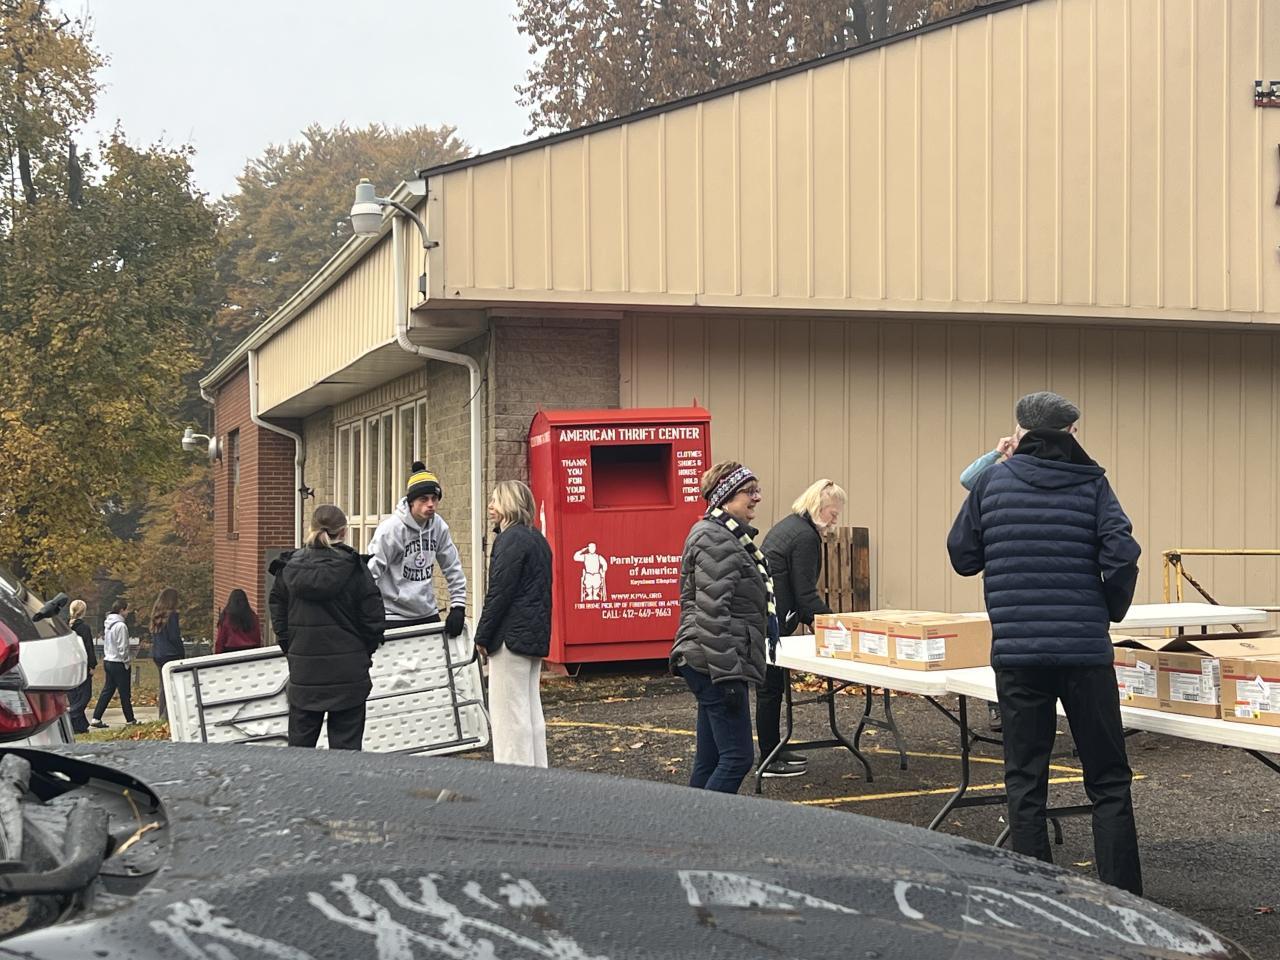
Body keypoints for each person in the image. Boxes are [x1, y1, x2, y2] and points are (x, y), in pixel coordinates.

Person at [947, 391, 1143, 896]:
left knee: (1025, 779)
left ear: (1020, 431)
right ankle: (1123, 897)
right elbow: (1122, 554)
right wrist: (1107, 609)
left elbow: (963, 556)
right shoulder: (1093, 484)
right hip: (1084, 653)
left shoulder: (992, 482)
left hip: (1019, 654)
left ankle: (1037, 896)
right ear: (1071, 432)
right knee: (1108, 779)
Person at [669, 461, 776, 794]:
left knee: (712, 758)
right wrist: (728, 677)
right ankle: (708, 824)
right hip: (714, 664)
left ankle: (688, 821)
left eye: (757, 490)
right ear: (726, 497)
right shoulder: (717, 539)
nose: (757, 497)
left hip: (709, 661)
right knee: (737, 758)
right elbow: (712, 613)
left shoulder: (726, 536)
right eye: (749, 491)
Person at [269, 504, 386, 751]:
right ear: (343, 532)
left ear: (310, 529)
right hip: (349, 674)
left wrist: (291, 648)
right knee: (346, 754)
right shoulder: (355, 569)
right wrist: (364, 653)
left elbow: (278, 614)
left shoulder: (288, 568)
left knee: (299, 755)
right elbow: (373, 619)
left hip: (304, 673)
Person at [756, 478, 847, 778]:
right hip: (771, 620)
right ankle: (769, 759)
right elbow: (806, 595)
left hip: (765, 614)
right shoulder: (806, 537)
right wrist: (837, 628)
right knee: (770, 689)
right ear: (820, 507)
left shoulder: (790, 527)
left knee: (769, 689)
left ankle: (772, 750)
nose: (835, 520)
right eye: (833, 513)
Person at [473, 481, 553, 767]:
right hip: (534, 636)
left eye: (495, 501)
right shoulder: (538, 539)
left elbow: (499, 593)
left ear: (508, 505)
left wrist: (482, 635)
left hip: (510, 638)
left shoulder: (509, 540)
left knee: (509, 717)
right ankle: (538, 773)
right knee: (530, 713)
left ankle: (514, 779)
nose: (490, 506)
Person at [367, 462, 467, 635]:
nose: (431, 504)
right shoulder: (391, 529)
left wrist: (458, 606)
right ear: (411, 501)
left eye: (434, 498)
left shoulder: (439, 526)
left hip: (426, 612)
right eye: (424, 499)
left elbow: (453, 566)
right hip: (393, 614)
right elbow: (372, 571)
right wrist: (367, 612)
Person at [90, 599, 136, 728]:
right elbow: (123, 647)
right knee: (124, 692)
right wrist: (126, 661)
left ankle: (96, 717)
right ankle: (130, 719)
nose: (128, 612)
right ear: (121, 610)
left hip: (108, 660)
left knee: (108, 690)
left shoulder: (108, 624)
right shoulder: (121, 626)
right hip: (119, 662)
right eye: (126, 609)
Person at [150, 587, 183, 722]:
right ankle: (168, 715)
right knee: (172, 686)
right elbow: (174, 637)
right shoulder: (172, 616)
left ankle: (162, 714)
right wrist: (181, 652)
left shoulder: (156, 615)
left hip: (158, 654)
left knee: (163, 686)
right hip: (171, 654)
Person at [67, 600, 97, 734]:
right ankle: (72, 714)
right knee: (85, 694)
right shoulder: (84, 628)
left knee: (74, 694)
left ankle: (79, 724)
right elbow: (88, 647)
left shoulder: (65, 627)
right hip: (82, 664)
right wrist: (92, 664)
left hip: (69, 664)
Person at [215, 588, 261, 654]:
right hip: (251, 652)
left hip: (231, 653)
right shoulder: (253, 617)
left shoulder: (226, 619)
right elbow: (257, 638)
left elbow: (220, 641)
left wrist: (218, 655)